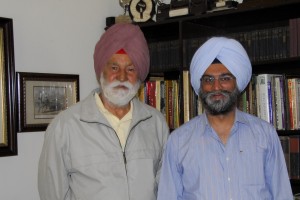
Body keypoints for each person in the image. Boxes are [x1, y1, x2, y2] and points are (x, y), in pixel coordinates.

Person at [38, 23, 169, 200]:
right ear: (101, 70)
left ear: (139, 75)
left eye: (131, 69)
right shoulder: (65, 126)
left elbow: (166, 189)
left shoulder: (155, 123)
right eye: (114, 68)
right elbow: (52, 194)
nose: (122, 77)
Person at [157, 36, 293, 199]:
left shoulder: (265, 135)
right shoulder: (178, 141)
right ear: (200, 86)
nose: (216, 87)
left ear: (237, 82)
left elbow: (282, 195)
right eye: (208, 80)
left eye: (225, 78)